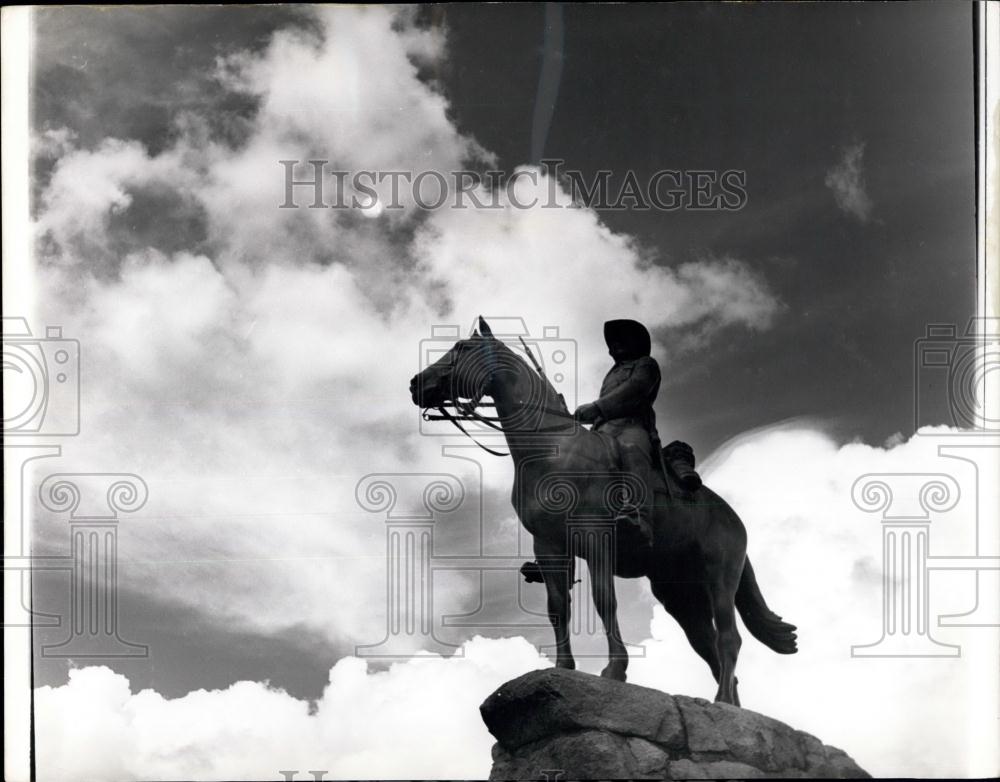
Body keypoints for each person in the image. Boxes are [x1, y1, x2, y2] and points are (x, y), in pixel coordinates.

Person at [573, 319, 661, 548]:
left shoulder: (646, 365)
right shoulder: (611, 373)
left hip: (631, 426)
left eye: (622, 338)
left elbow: (635, 390)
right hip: (602, 430)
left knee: (631, 451)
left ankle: (639, 516)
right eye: (613, 341)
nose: (616, 344)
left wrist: (597, 407)